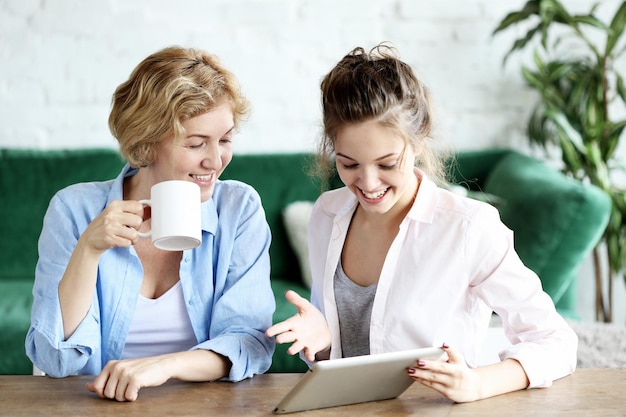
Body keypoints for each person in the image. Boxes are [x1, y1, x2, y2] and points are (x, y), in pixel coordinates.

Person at [266, 44, 578, 403]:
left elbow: (555, 341)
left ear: (419, 139)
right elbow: (343, 362)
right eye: (349, 164)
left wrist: (477, 383)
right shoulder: (326, 213)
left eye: (386, 164)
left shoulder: (468, 228)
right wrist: (321, 344)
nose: (367, 184)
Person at [26, 46, 275, 402]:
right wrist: (88, 250)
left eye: (225, 140)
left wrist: (165, 366)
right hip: (100, 406)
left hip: (203, 406)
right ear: (147, 141)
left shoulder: (239, 209)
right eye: (196, 143)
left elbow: (250, 343)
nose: (216, 161)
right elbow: (56, 360)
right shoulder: (73, 209)